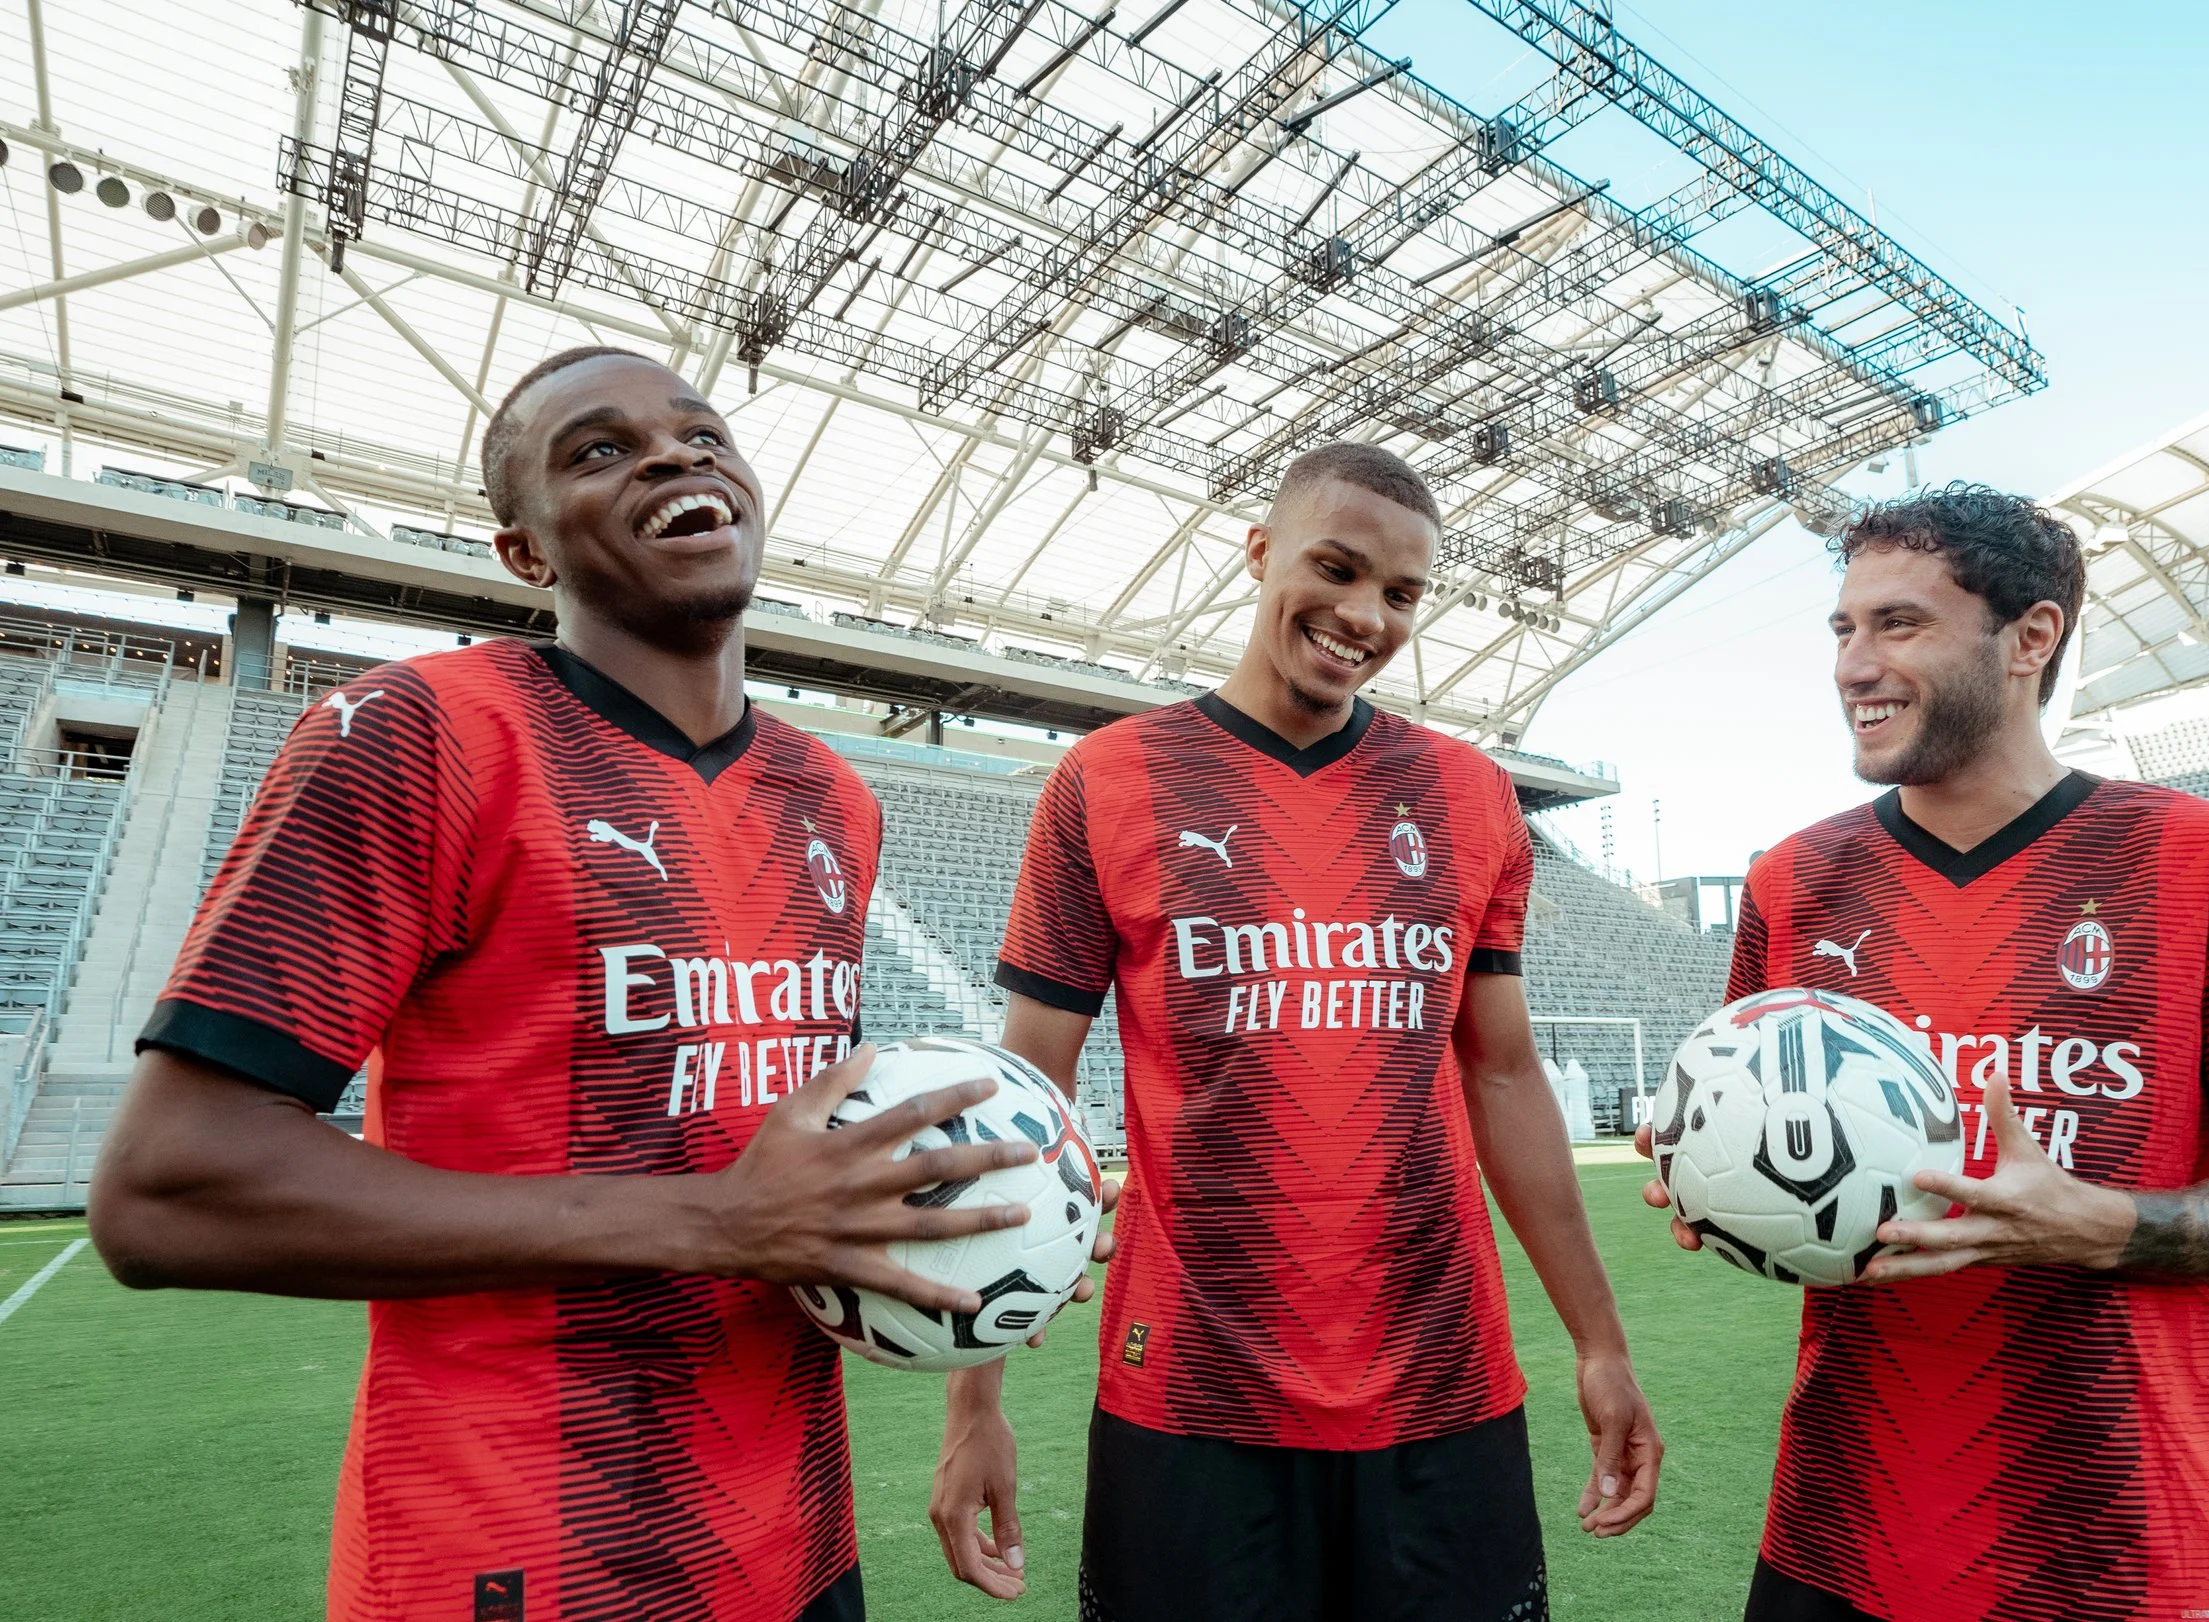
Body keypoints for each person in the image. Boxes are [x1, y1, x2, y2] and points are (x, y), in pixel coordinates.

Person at [86, 346, 1054, 1622]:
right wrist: (715, 1223)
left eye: (701, 432)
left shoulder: (834, 798)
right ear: (525, 553)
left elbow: (789, 1155)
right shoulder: (414, 735)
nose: (671, 454)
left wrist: (966, 1248)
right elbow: (165, 1192)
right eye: (596, 449)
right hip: (517, 1556)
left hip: (800, 1544)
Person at [929, 442, 1663, 1621]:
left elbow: (1507, 1072)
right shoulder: (1107, 781)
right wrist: (977, 1407)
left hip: (1445, 1387)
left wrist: (1599, 1341)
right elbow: (1026, 1101)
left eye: (1403, 594)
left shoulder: (1469, 794)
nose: (1364, 614)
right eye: (1335, 566)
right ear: (1262, 549)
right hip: (1187, 1394)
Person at [1639, 483, 2209, 1622]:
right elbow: (1763, 1142)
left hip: (2125, 1552)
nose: (1852, 664)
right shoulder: (1792, 879)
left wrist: (2104, 1223)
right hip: (1839, 1534)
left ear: (2029, 637)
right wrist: (1708, 1172)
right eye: (1843, 628)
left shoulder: (2206, 858)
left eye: (1900, 624)